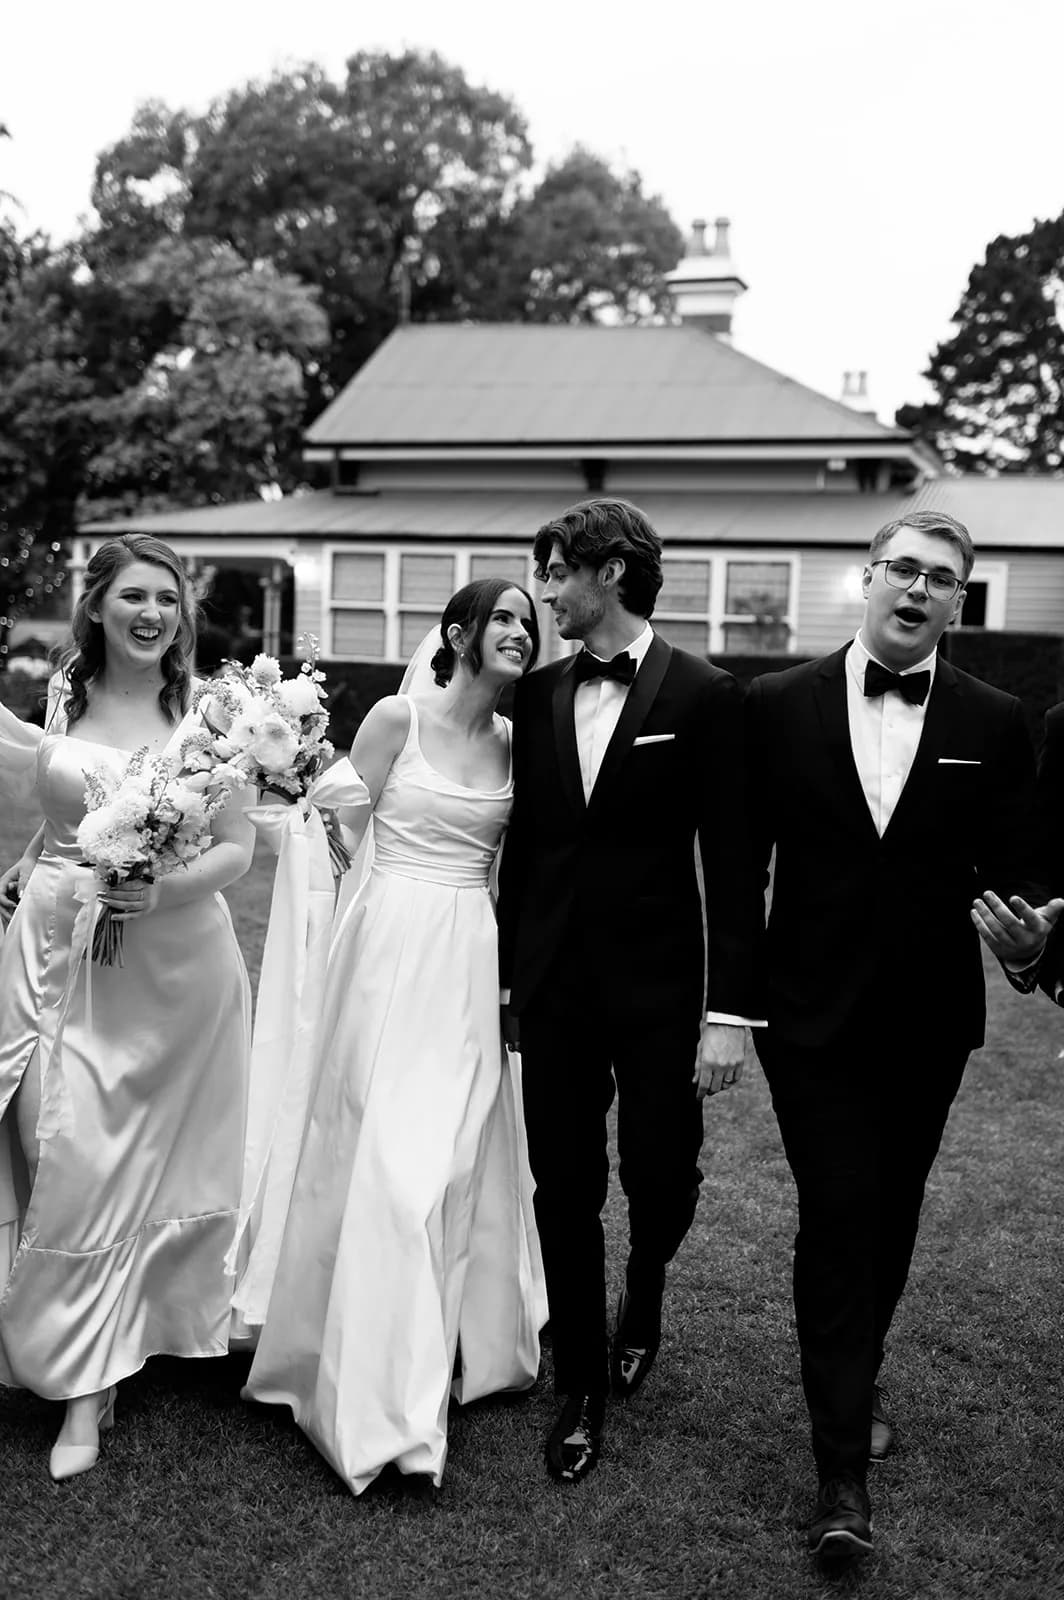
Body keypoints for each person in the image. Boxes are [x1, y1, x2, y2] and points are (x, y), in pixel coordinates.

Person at [744, 510, 1039, 1566]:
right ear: (865, 579)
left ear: (958, 603)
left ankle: (852, 1380)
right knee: (835, 1217)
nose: (917, 589)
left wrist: (1029, 940)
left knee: (890, 1217)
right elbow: (735, 878)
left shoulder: (994, 720)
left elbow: (1016, 875)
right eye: (902, 569)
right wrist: (730, 1010)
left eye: (941, 580)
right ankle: (839, 1478)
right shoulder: (773, 706)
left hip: (925, 1022)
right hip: (807, 1017)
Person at [243, 578, 546, 1496]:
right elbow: (332, 834)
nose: (520, 633)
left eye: (530, 625)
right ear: (457, 632)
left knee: (447, 1162)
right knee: (380, 1166)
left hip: (465, 958)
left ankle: (437, 1354)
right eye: (503, 618)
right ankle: (384, 1409)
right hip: (385, 956)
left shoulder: (514, 744)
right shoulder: (394, 718)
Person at [496, 498, 763, 1485]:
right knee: (558, 1184)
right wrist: (503, 980)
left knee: (661, 1174)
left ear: (610, 570)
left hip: (659, 991)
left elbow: (733, 866)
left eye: (556, 570)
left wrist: (727, 1013)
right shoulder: (535, 694)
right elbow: (523, 851)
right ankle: (578, 1386)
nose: (546, 590)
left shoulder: (704, 695)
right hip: (553, 985)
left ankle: (643, 1290)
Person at [0, 534, 254, 1480]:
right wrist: (27, 867)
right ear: (98, 607)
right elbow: (64, 807)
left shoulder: (210, 715)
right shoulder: (64, 692)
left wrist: (160, 891)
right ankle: (70, 1343)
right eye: (134, 597)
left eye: (169, 599)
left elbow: (236, 849)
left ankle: (87, 1386)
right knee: (52, 1144)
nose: (154, 614)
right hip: (51, 950)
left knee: (121, 1161)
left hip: (172, 972)